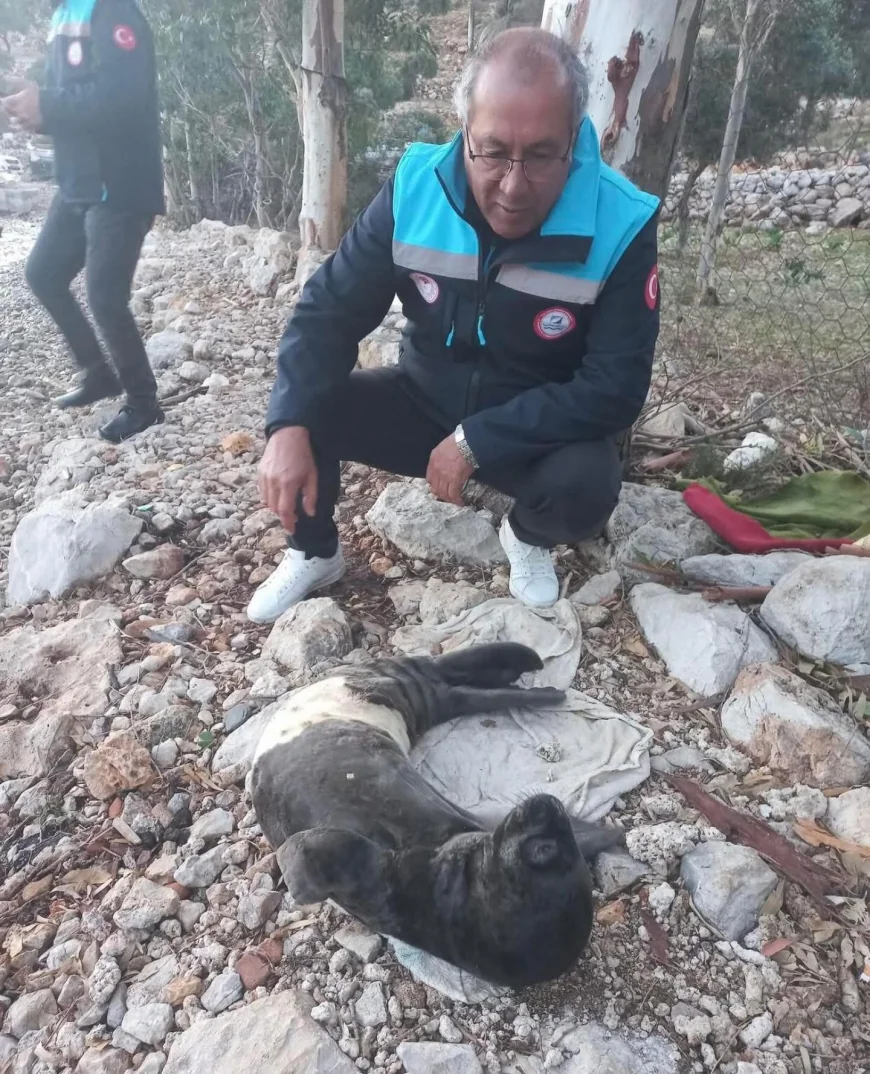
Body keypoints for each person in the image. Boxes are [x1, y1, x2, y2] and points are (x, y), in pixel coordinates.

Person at [251, 27, 661, 625]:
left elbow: (616, 387)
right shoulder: (415, 188)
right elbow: (328, 312)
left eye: (543, 154)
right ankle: (315, 551)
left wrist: (479, 440)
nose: (514, 186)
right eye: (493, 151)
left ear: (573, 141)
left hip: (529, 433)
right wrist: (286, 426)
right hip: (420, 402)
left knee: (589, 486)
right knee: (306, 408)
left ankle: (525, 536)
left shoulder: (622, 221)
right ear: (465, 130)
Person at [1, 0, 165, 443]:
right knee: (42, 273)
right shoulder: (64, 15)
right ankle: (98, 375)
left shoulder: (111, 10)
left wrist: (47, 105)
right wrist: (36, 112)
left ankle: (144, 402)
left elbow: (124, 96)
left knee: (105, 296)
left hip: (119, 185)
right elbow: (75, 98)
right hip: (78, 183)